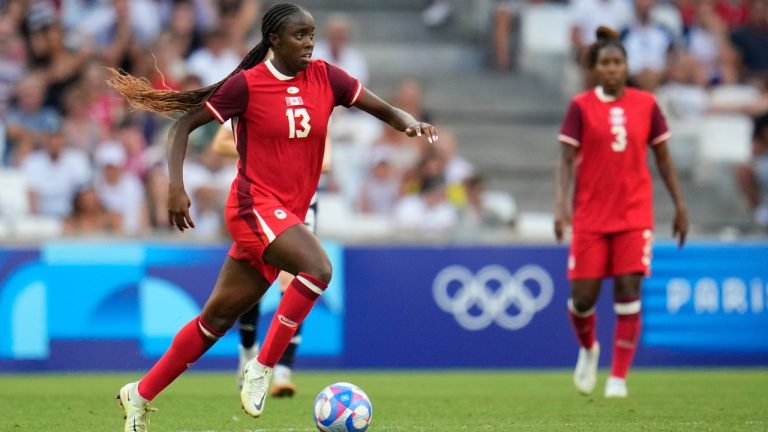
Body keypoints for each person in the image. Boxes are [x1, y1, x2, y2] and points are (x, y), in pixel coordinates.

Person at [106, 3, 437, 430]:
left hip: (284, 217)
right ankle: (262, 369)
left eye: (312, 35)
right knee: (318, 268)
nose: (309, 43)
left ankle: (139, 394)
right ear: (275, 41)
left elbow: (384, 109)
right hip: (252, 207)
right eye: (300, 36)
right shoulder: (248, 85)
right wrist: (176, 186)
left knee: (216, 321)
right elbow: (182, 126)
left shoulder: (327, 77)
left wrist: (408, 121)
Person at [554, 26, 688, 398]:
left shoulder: (647, 104)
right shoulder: (581, 106)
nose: (612, 69)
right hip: (590, 216)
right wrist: (559, 204)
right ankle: (588, 349)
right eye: (606, 63)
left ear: (627, 66)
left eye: (618, 62)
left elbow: (663, 157)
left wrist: (679, 204)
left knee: (629, 291)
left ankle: (618, 378)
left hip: (634, 215)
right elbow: (565, 159)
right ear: (596, 69)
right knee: (582, 299)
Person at [210, 121, 323, 396]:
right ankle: (248, 350)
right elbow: (219, 143)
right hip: (261, 199)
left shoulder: (314, 100)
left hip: (303, 200)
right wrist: (261, 151)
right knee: (255, 279)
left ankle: (282, 368)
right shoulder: (257, 97)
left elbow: (326, 154)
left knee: (297, 277)